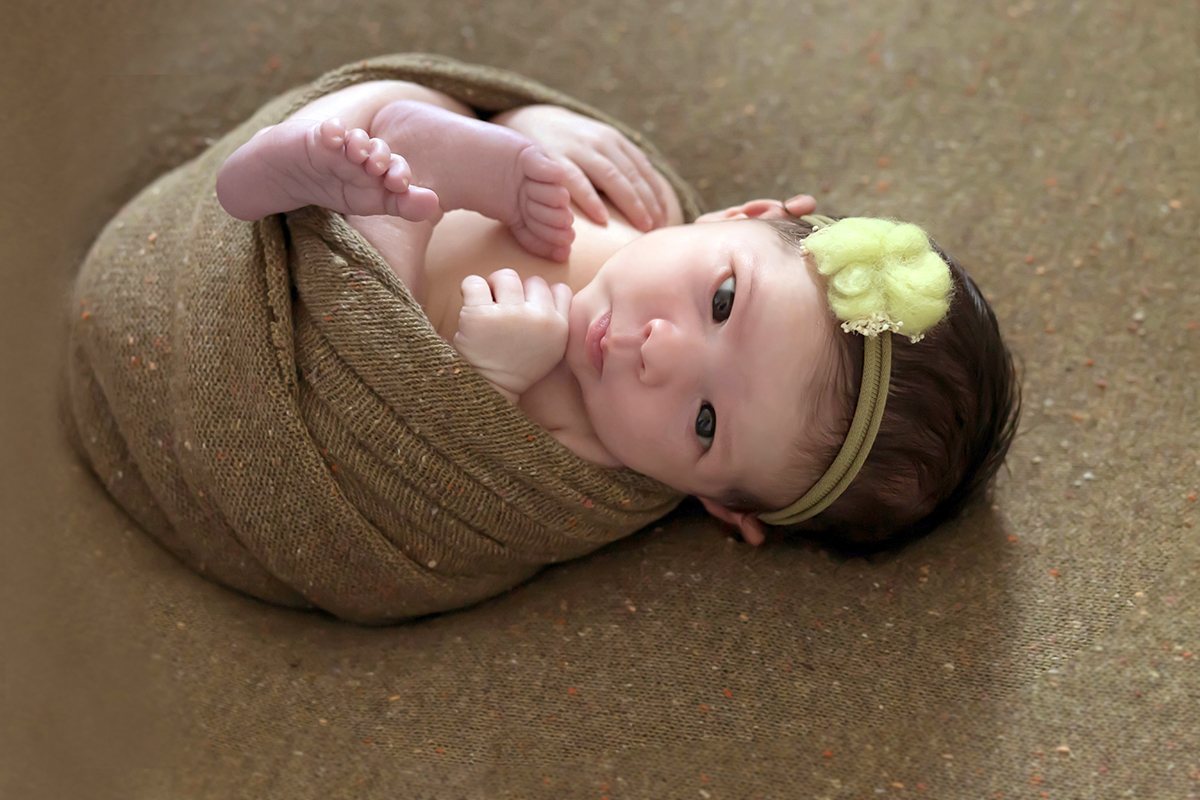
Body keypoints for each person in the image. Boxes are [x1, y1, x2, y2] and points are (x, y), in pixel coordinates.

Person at [216, 79, 1020, 552]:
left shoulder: (587, 459)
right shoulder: (644, 205)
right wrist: (536, 124)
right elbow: (544, 131)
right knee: (416, 104)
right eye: (723, 302)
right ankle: (358, 152)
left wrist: (488, 381)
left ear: (723, 508)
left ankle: (323, 186)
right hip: (390, 160)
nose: (658, 352)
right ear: (739, 217)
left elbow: (426, 485)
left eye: (704, 423)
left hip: (331, 319)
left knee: (372, 333)